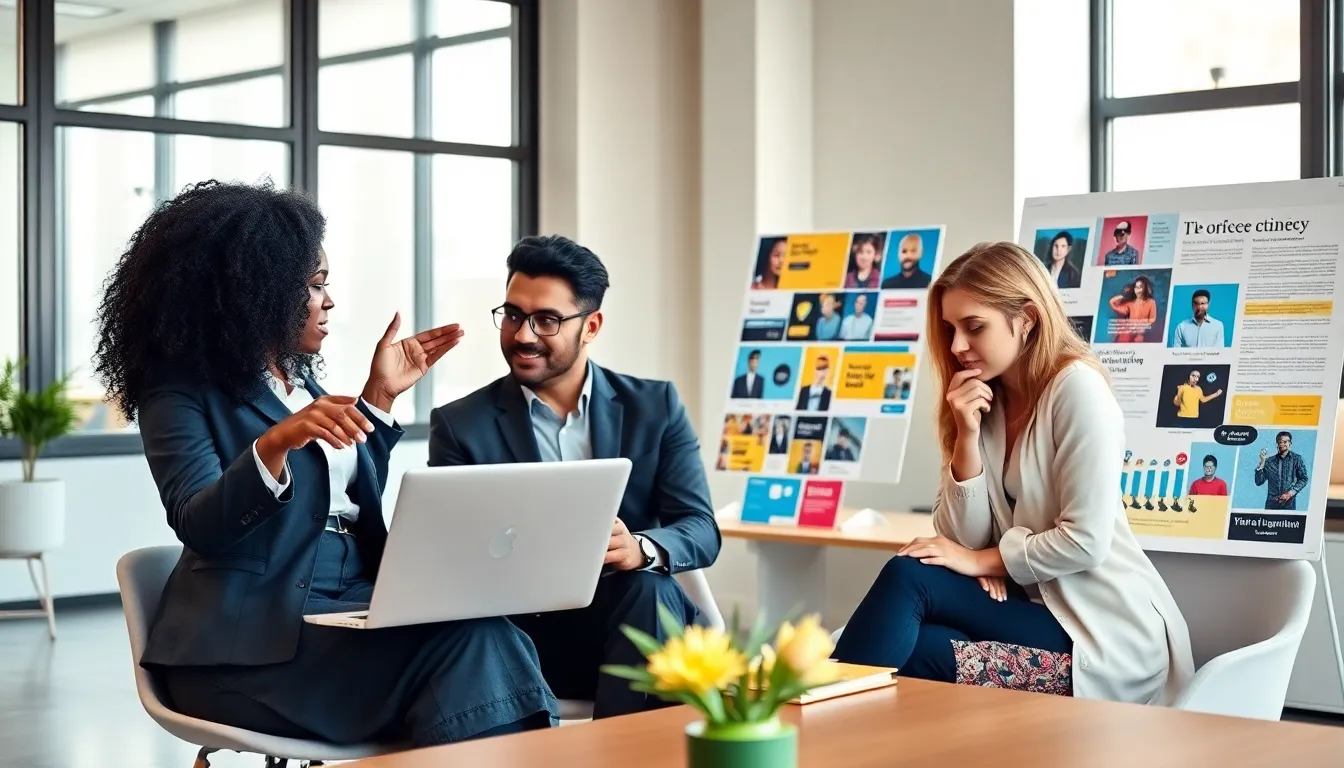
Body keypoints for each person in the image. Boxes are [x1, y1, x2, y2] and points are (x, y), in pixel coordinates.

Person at [91, 180, 557, 748]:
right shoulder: (178, 391)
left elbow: (342, 497)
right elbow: (200, 523)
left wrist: (377, 400)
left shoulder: (299, 382)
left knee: (486, 632)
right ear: (254, 292)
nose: (329, 302)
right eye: (314, 287)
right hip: (246, 647)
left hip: (350, 602)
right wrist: (272, 446)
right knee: (465, 649)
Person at [832, 241, 1193, 705]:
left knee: (909, 580)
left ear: (1027, 318)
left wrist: (984, 561)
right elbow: (963, 536)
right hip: (1031, 608)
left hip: (1101, 633)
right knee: (910, 640)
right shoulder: (986, 398)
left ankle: (807, 733)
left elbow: (1086, 540)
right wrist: (966, 435)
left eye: (974, 327)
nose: (958, 345)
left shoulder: (1078, 390)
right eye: (951, 329)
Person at [427, 235, 721, 720]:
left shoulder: (654, 407)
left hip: (634, 627)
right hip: (523, 643)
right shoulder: (461, 424)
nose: (522, 335)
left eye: (546, 320)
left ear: (592, 326)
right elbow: (450, 553)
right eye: (514, 315)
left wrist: (641, 549)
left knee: (650, 588)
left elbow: (700, 528)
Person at [1255, 431, 1308, 510]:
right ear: (1277, 444)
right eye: (1280, 442)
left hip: (1289, 503)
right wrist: (1261, 463)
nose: (1282, 444)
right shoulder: (1269, 461)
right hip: (1271, 504)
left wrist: (1290, 493)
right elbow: (1259, 482)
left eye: (1285, 442)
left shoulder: (1297, 459)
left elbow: (1303, 479)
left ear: (1290, 443)